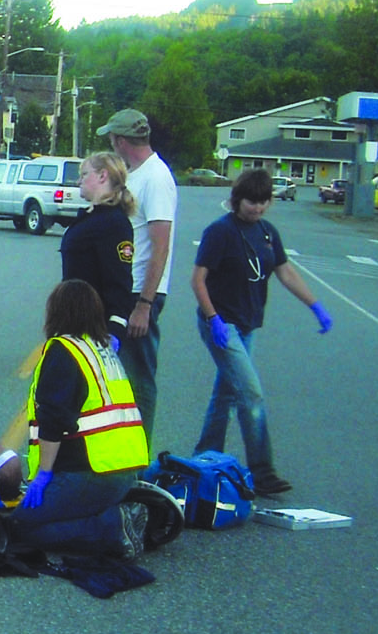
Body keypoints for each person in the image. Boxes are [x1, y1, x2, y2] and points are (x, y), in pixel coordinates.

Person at [190, 168, 333, 496]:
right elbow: (198, 279)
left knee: (226, 393)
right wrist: (213, 319)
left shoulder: (268, 233)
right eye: (250, 202)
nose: (256, 208)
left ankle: (203, 456)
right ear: (237, 199)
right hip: (222, 324)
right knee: (251, 393)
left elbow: (285, 272)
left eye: (263, 202)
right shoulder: (220, 232)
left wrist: (316, 306)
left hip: (247, 324)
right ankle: (263, 470)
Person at [13, 279, 152, 559]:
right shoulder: (102, 349)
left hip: (91, 474)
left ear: (57, 313)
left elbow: (53, 419)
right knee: (48, 515)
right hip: (124, 472)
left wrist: (43, 475)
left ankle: (111, 528)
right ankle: (112, 515)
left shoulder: (63, 350)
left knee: (20, 529)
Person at [98, 108, 176, 445]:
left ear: (122, 140)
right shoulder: (135, 174)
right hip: (124, 290)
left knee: (140, 380)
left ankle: (138, 464)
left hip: (141, 295)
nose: (113, 146)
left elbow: (161, 244)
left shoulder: (157, 178)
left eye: (113, 140)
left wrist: (144, 304)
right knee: (118, 378)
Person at [59, 150, 138, 346]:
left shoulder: (113, 223)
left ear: (103, 176)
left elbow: (119, 280)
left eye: (84, 174)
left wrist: (115, 329)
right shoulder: (91, 218)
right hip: (74, 320)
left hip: (94, 326)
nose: (79, 181)